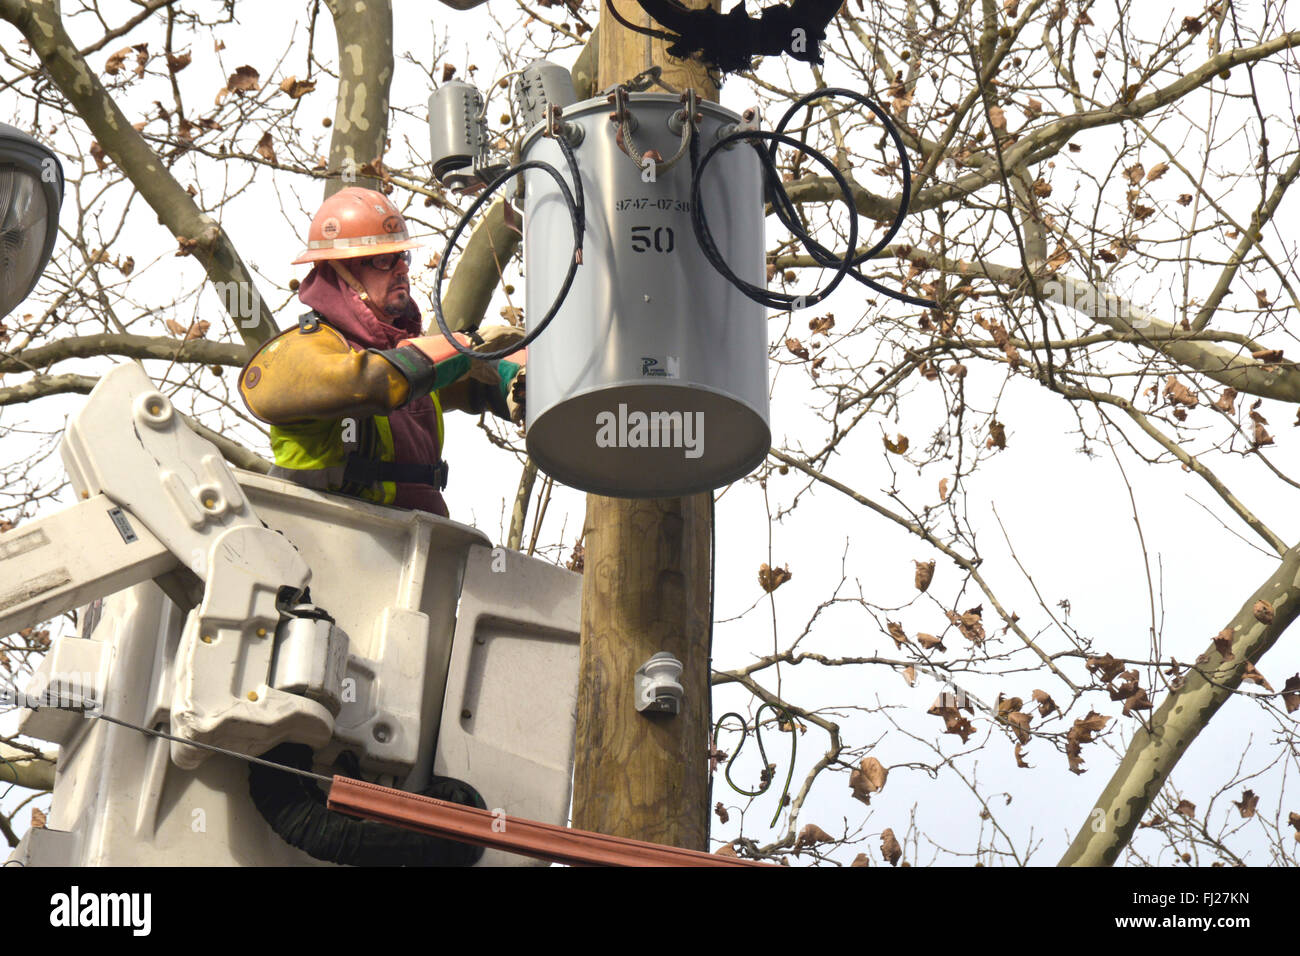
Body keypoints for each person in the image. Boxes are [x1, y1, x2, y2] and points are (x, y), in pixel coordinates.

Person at [239, 186, 524, 518]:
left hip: (416, 544)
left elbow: (467, 379)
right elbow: (368, 382)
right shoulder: (299, 353)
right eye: (384, 260)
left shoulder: (405, 358)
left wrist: (512, 377)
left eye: (403, 257)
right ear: (340, 271)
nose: (401, 269)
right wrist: (461, 349)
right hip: (323, 543)